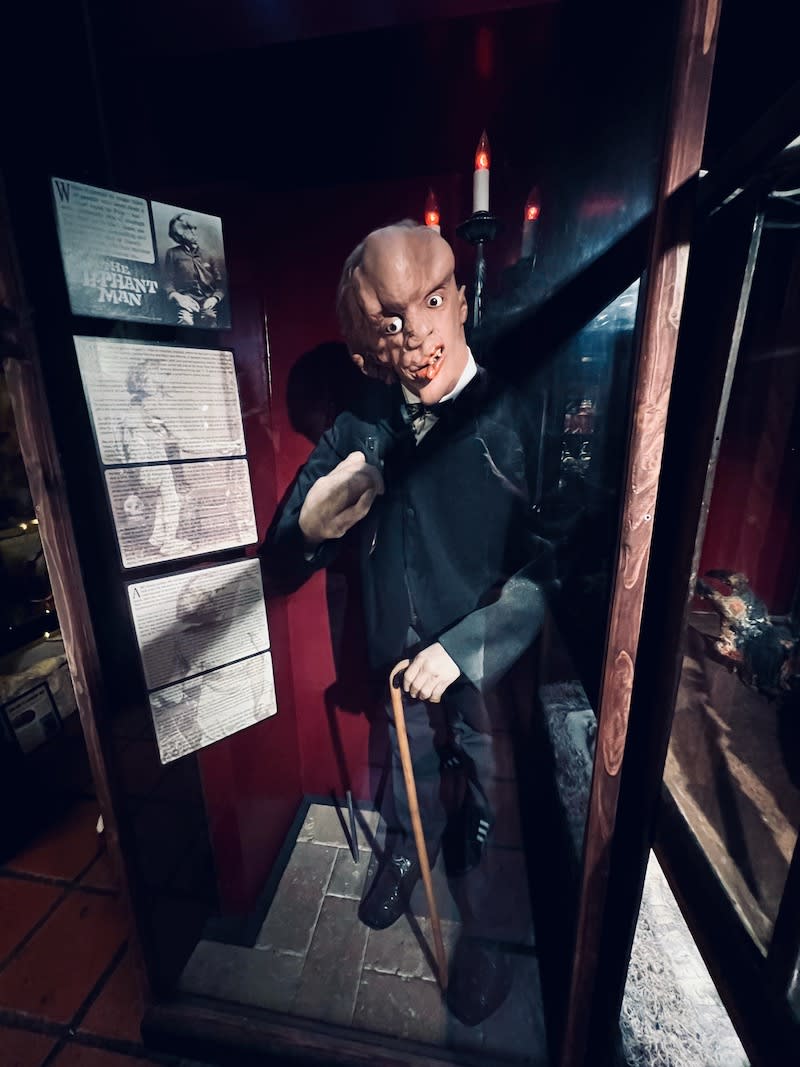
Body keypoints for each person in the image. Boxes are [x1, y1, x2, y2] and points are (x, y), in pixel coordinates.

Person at [264, 221, 548, 1024]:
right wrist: (315, 523)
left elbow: (556, 563)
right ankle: (402, 847)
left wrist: (466, 650)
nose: (417, 331)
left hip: (483, 658)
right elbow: (286, 547)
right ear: (365, 353)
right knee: (406, 758)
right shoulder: (363, 422)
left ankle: (489, 926)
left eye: (430, 301)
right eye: (390, 321)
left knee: (494, 782)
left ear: (462, 297)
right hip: (395, 652)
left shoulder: (516, 412)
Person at [162, 213, 226, 327]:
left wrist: (214, 299)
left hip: (207, 301)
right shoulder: (172, 254)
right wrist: (177, 297)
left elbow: (221, 285)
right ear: (178, 233)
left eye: (194, 228)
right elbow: (167, 283)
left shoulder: (208, 255)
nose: (193, 231)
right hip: (185, 302)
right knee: (185, 322)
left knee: (210, 320)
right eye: (188, 228)